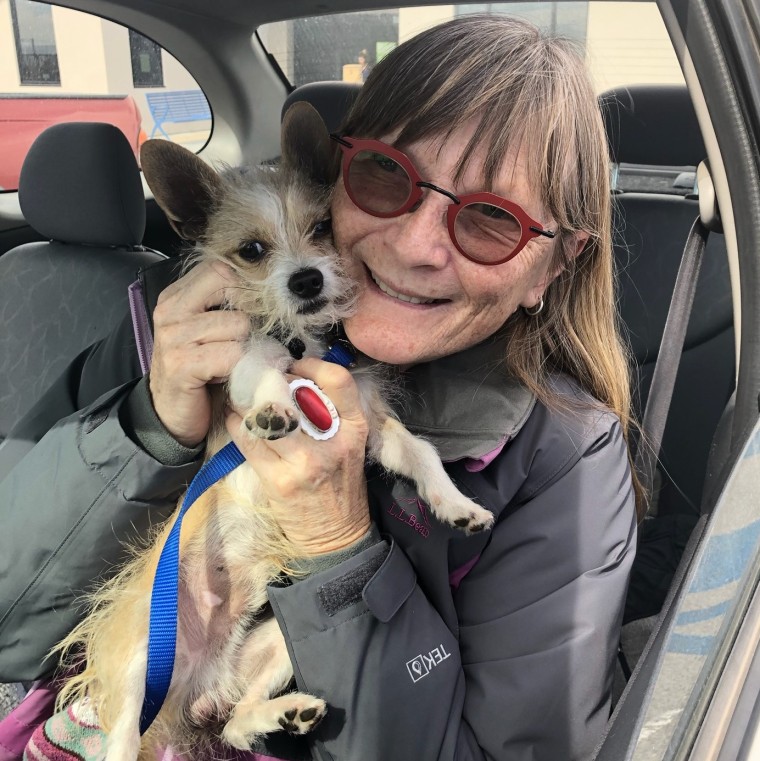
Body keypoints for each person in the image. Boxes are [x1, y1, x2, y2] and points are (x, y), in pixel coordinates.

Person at [0, 14, 638, 761]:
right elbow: (14, 617)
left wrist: (340, 554)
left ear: (553, 268)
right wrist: (149, 427)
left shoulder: (557, 461)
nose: (413, 245)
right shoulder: (168, 332)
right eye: (385, 177)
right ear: (337, 175)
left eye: (491, 220)